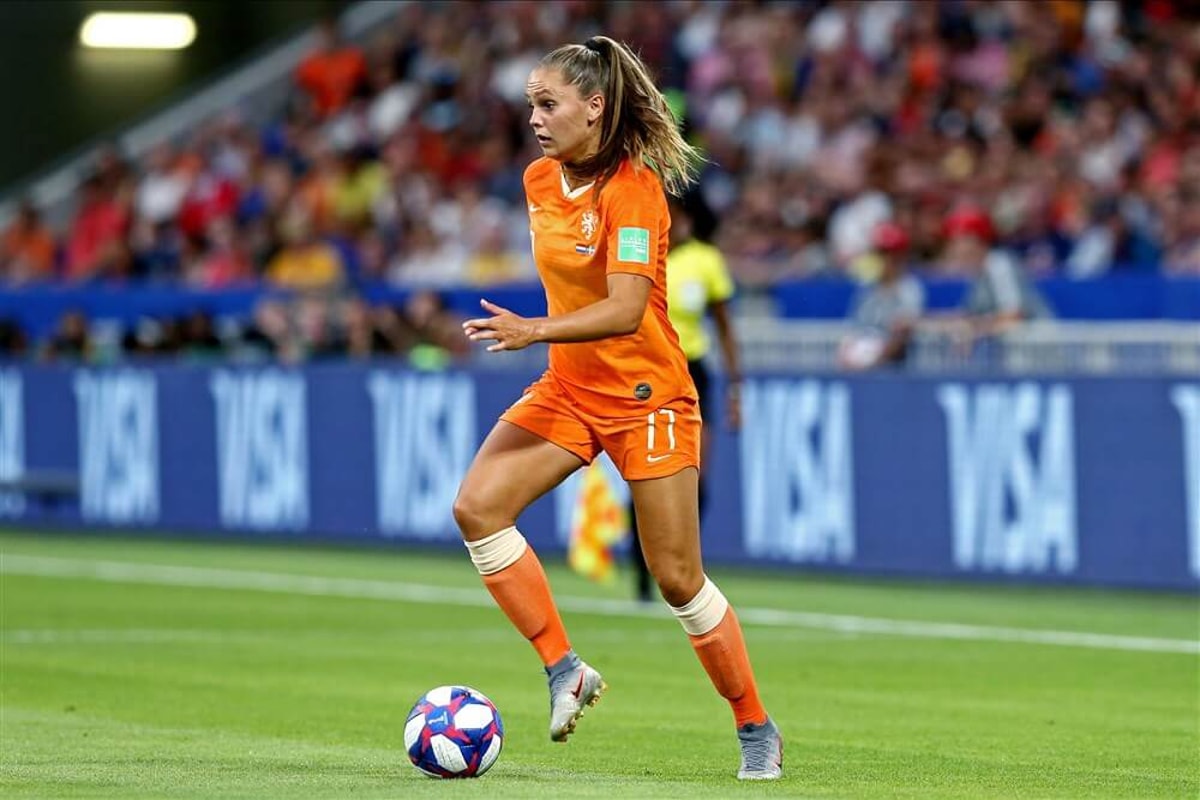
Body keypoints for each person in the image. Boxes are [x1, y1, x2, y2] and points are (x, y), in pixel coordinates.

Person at [453, 35, 781, 781]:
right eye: (531, 104)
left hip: (648, 398)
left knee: (677, 579)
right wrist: (547, 341)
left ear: (595, 106)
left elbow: (627, 308)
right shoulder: (539, 180)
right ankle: (563, 668)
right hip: (571, 389)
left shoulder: (634, 190)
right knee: (477, 509)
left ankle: (755, 725)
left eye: (548, 104)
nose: (534, 119)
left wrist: (534, 330)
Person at [627, 195, 743, 603]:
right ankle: (643, 573)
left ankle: (686, 565)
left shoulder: (705, 261)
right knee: (644, 478)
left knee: (695, 478)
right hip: (646, 372)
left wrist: (735, 387)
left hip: (693, 373)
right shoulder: (638, 253)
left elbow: (725, 326)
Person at [837, 221, 925, 371]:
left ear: (899, 257)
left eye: (886, 254)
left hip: (896, 369)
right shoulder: (866, 289)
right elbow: (854, 329)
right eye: (878, 253)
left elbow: (903, 334)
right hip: (862, 363)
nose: (881, 259)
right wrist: (848, 356)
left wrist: (874, 362)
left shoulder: (909, 289)